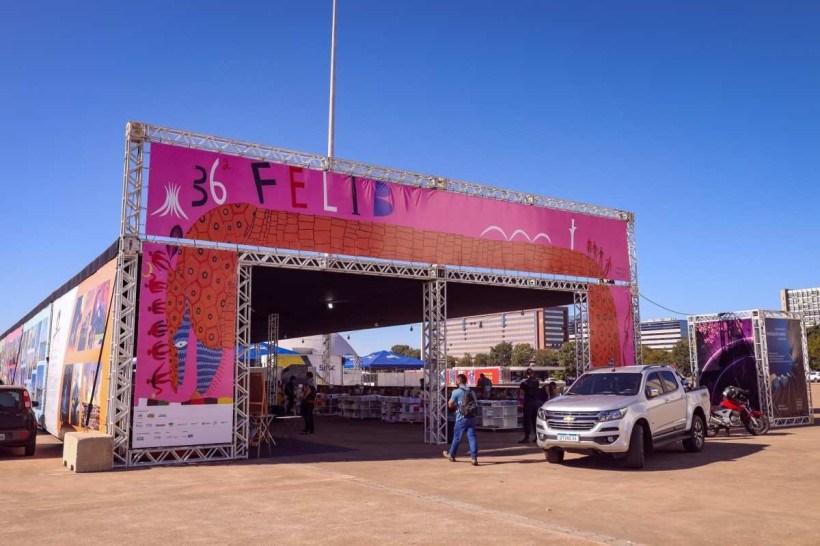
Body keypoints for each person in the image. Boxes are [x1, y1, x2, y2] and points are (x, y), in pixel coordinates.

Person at [443, 373, 479, 466]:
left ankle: (452, 455)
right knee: (472, 437)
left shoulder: (456, 392)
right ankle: (474, 458)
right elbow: (476, 404)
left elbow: (450, 404)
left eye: (456, 380)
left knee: (456, 437)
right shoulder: (472, 391)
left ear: (459, 381)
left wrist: (456, 404)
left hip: (461, 418)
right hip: (472, 417)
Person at [519, 368, 541, 443]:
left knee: (526, 420)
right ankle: (537, 436)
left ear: (526, 374)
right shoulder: (536, 382)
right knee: (534, 420)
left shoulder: (524, 383)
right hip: (535, 402)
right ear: (533, 373)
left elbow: (521, 393)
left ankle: (526, 437)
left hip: (528, 402)